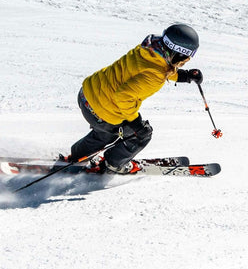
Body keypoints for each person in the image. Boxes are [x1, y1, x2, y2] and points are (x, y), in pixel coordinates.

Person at [65, 24, 203, 174]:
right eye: (186, 58)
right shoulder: (155, 76)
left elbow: (154, 68)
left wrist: (184, 76)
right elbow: (124, 97)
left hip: (87, 95)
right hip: (102, 111)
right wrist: (137, 124)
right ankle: (114, 165)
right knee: (141, 135)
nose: (185, 61)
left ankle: (77, 156)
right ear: (178, 53)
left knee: (105, 133)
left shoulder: (149, 48)